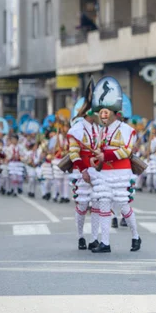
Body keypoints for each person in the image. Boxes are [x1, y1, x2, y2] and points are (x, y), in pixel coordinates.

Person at [88, 76, 141, 253]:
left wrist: (104, 155)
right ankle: (105, 243)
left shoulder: (127, 130)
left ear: (114, 112)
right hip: (104, 172)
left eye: (106, 112)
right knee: (103, 203)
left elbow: (125, 151)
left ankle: (136, 236)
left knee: (123, 206)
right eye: (101, 112)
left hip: (121, 172)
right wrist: (94, 159)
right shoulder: (101, 131)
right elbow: (98, 150)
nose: (102, 116)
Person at [67, 79, 103, 251]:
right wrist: (83, 171)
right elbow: (73, 153)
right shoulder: (78, 128)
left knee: (96, 204)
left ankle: (94, 238)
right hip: (82, 170)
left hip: (97, 170)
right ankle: (80, 236)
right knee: (82, 205)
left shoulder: (100, 128)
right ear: (90, 112)